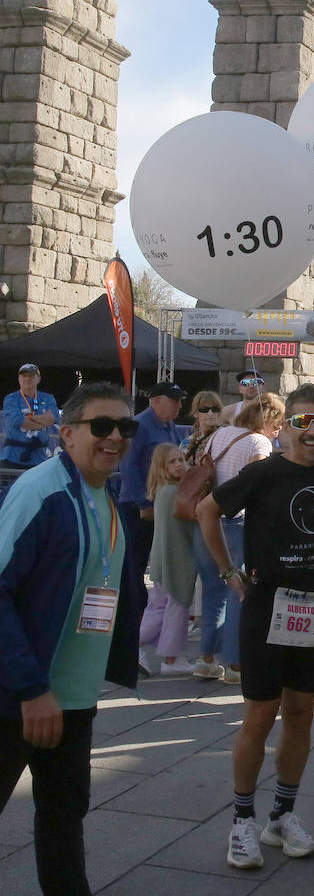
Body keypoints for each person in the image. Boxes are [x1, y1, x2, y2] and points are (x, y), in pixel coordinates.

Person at [0, 383, 142, 896]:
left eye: (125, 428)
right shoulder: (43, 491)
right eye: (100, 426)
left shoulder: (105, 493)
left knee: (63, 816)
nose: (115, 438)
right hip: (21, 693)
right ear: (66, 434)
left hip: (72, 696)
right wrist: (30, 689)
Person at [197, 384, 314, 871]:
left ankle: (282, 814)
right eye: (303, 422)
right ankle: (242, 820)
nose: (313, 431)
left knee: (301, 712)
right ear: (284, 428)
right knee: (259, 716)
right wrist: (227, 572)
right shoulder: (263, 472)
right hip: (267, 605)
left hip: (313, 606)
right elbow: (205, 509)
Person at [203, 393, 284, 685]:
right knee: (239, 591)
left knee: (213, 591)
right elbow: (258, 483)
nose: (279, 431)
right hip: (239, 520)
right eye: (278, 424)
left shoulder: (221, 433)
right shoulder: (259, 442)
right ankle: (235, 663)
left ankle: (206, 658)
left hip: (210, 518)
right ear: (269, 420)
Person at [115, 381, 186, 600]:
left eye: (179, 401)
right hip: (138, 506)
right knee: (135, 561)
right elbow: (127, 465)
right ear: (155, 401)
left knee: (157, 560)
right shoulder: (140, 425)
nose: (179, 406)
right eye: (173, 401)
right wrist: (143, 503)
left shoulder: (169, 425)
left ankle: (147, 608)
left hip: (160, 503)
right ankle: (133, 610)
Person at [183, 391, 232, 680]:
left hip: (219, 515)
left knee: (217, 588)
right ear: (196, 412)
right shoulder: (188, 442)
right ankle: (211, 656)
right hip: (197, 516)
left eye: (215, 409)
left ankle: (212, 655)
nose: (211, 414)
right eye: (205, 409)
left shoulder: (225, 436)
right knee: (213, 587)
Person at [140, 443, 198, 675]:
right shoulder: (174, 492)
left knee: (159, 606)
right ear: (161, 467)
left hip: (162, 559)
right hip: (175, 559)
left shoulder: (163, 491)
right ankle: (171, 658)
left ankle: (134, 645)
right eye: (172, 462)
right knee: (177, 605)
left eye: (181, 460)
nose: (179, 465)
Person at [2, 363, 59, 470]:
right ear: (19, 378)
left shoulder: (48, 398)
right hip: (12, 458)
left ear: (38, 379)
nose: (27, 379)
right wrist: (42, 421)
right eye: (24, 376)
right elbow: (16, 421)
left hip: (39, 458)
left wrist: (28, 419)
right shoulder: (11, 399)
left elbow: (53, 418)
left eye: (31, 376)